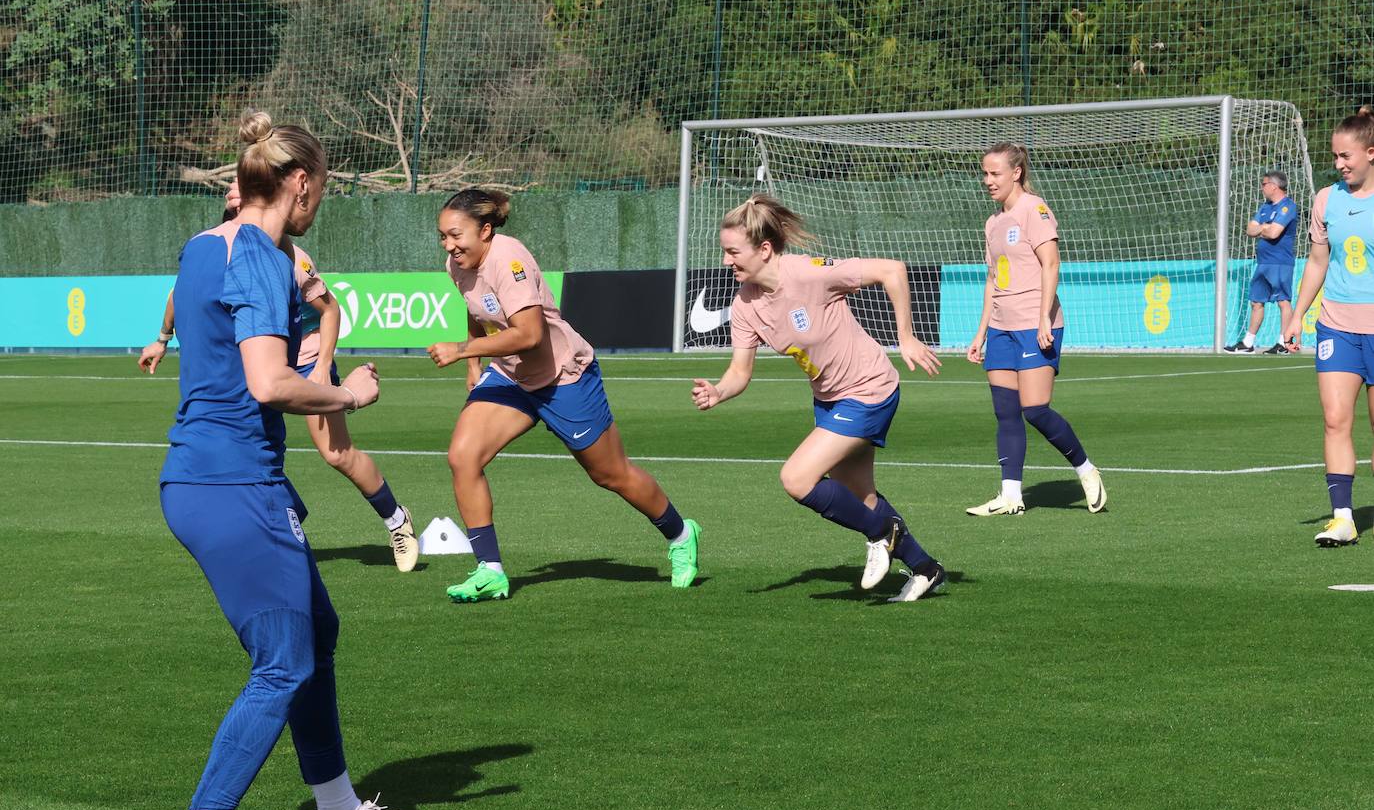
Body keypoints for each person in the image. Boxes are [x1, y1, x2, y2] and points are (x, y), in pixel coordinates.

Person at [155, 111, 424, 810]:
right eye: (323, 190)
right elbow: (269, 382)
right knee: (282, 662)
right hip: (232, 484)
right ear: (300, 183)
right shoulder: (267, 259)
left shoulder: (203, 246)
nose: (320, 203)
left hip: (216, 479)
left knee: (318, 631)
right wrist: (347, 391)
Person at [427, 188, 700, 601]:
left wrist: (462, 350)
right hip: (511, 376)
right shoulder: (458, 263)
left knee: (610, 474)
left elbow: (531, 336)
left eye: (455, 235)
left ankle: (681, 534)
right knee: (463, 456)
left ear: (484, 230)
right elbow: (476, 307)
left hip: (562, 375)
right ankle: (490, 570)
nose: (448, 245)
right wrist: (473, 365)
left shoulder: (510, 260)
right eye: (442, 237)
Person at [140, 182, 419, 572]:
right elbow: (176, 295)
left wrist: (323, 366)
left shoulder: (290, 257)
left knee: (337, 454)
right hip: (258, 361)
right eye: (231, 201)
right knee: (249, 439)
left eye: (243, 198)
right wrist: (161, 339)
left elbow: (330, 309)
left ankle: (397, 521)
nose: (237, 206)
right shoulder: (217, 250)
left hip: (303, 359)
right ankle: (283, 520)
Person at [691, 194, 947, 601]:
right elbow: (740, 372)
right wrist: (719, 391)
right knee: (862, 500)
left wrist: (906, 336)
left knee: (796, 478)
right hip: (829, 400)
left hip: (869, 390)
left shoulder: (808, 274)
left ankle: (881, 534)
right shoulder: (744, 306)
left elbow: (892, 270)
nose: (726, 261)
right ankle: (926, 568)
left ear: (764, 249)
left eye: (732, 252)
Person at [965, 143, 1106, 516]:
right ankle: (1011, 495)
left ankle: (1087, 470)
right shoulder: (993, 223)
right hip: (1000, 328)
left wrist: (1044, 317)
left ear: (1016, 172)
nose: (987, 180)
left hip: (1034, 324)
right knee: (1005, 411)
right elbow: (992, 279)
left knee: (1035, 409)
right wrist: (981, 332)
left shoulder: (1035, 209)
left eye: (994, 173)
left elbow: (1051, 264)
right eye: (985, 173)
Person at [1281, 107, 1374, 547]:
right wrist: (1299, 314)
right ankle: (1343, 518)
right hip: (1336, 326)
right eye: (1335, 156)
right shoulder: (1326, 199)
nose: (1339, 164)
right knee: (1336, 420)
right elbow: (1319, 261)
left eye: (1346, 156)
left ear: (1370, 153)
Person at [1225, 171, 1299, 354]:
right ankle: (1248, 343)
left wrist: (1263, 227)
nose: (1262, 187)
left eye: (1264, 184)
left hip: (1280, 262)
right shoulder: (1265, 207)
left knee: (1283, 301)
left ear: (1274, 186)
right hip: (1263, 262)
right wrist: (1265, 227)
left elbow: (1274, 233)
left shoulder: (1287, 207)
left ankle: (1284, 343)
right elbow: (1250, 229)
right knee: (1256, 302)